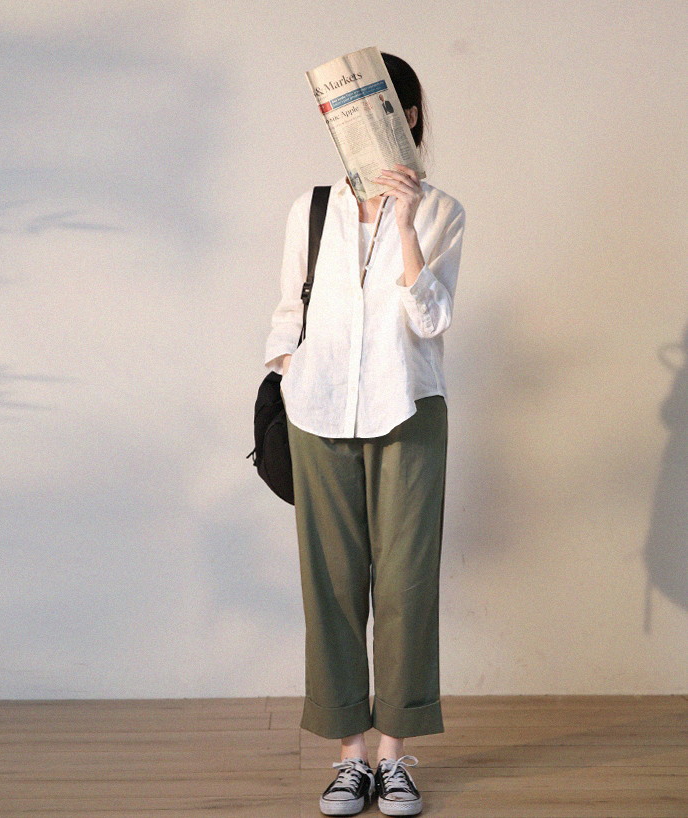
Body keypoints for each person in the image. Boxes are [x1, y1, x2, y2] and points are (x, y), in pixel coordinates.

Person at [264, 52, 465, 816]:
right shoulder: (312, 208)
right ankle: (351, 758)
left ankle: (393, 757)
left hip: (408, 412)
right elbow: (289, 308)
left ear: (405, 116)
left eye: (383, 105)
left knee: (407, 584)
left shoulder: (442, 212)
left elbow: (432, 319)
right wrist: (290, 369)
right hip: (318, 413)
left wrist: (405, 223)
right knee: (333, 584)